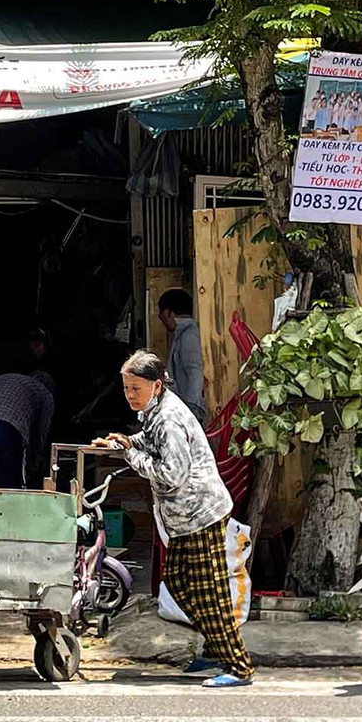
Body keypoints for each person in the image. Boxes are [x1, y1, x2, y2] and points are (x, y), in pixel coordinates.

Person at [95, 351, 254, 688]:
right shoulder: (155, 411)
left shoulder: (168, 417)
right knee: (180, 586)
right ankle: (214, 649)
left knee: (208, 592)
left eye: (136, 388)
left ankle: (239, 666)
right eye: (126, 388)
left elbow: (173, 473)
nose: (130, 395)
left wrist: (131, 455)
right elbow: (150, 440)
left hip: (199, 513)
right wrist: (126, 442)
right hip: (183, 518)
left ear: (156, 385)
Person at [157, 289, 206, 422]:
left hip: (189, 413)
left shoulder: (189, 335)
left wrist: (191, 414)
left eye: (160, 314)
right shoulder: (183, 334)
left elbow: (195, 374)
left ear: (168, 313)